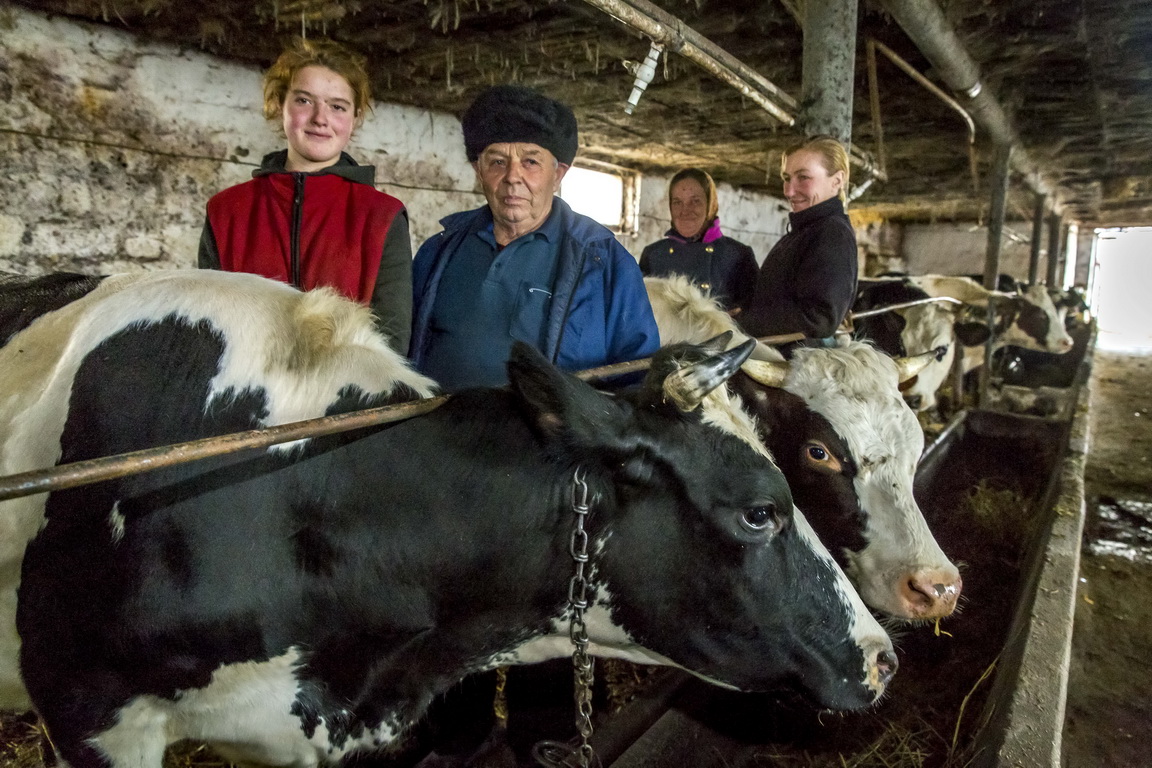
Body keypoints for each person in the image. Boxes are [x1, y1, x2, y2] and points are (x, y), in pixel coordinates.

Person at [408, 84, 659, 392]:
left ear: (558, 174)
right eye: (497, 162)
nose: (513, 177)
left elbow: (639, 378)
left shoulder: (605, 260)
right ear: (478, 171)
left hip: (550, 425)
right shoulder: (439, 250)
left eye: (530, 162)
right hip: (438, 421)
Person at [199, 37, 412, 353]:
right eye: (304, 100)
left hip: (349, 385)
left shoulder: (383, 216)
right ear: (279, 105)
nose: (320, 119)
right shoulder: (226, 211)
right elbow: (206, 326)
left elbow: (391, 343)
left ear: (354, 118)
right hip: (243, 384)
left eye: (337, 106)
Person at [739, 135, 859, 350]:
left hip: (797, 363)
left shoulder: (831, 232)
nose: (789, 191)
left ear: (837, 180)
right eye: (787, 178)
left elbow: (819, 318)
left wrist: (740, 323)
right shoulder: (805, 231)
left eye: (803, 177)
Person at [639, 168, 758, 314]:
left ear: (710, 205)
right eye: (677, 202)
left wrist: (729, 319)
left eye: (695, 201)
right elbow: (637, 311)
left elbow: (755, 313)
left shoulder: (738, 255)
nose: (685, 210)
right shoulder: (653, 255)